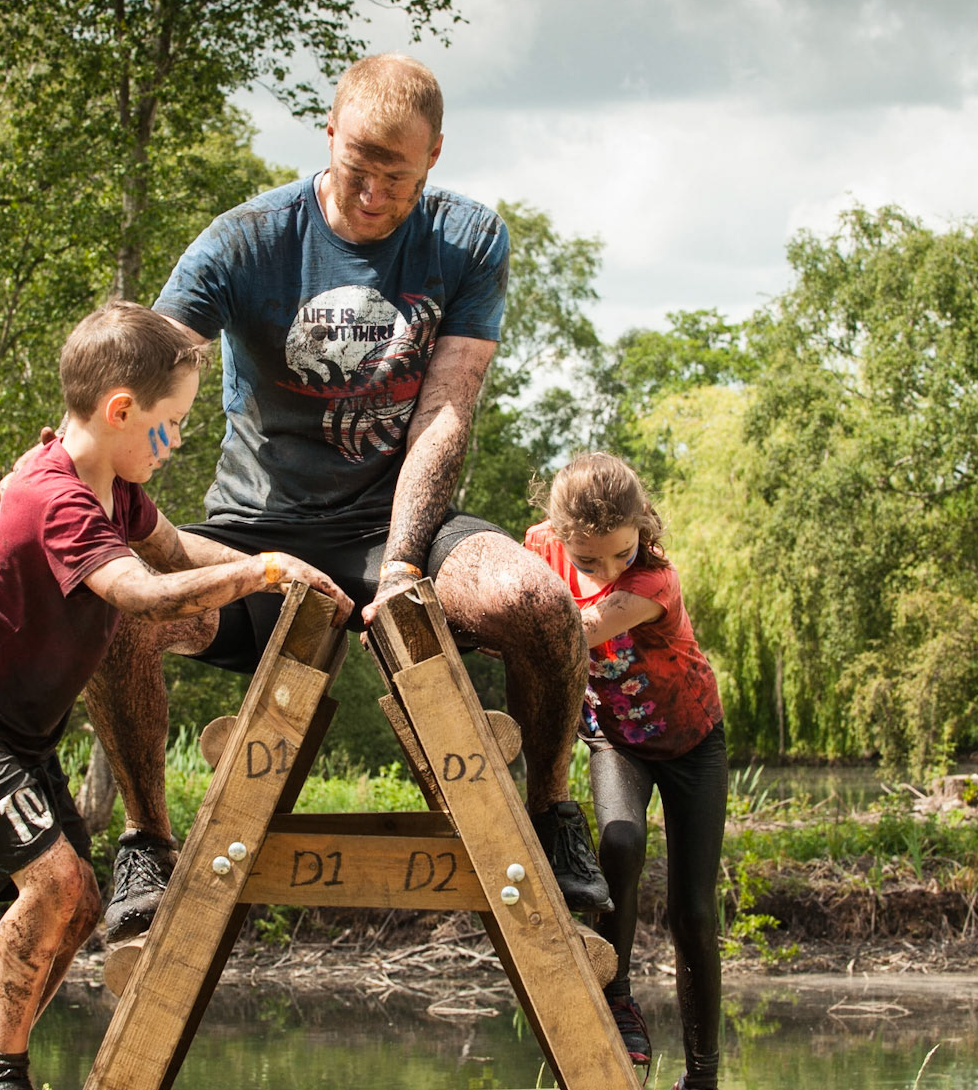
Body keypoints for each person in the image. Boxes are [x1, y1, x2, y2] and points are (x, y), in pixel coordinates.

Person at [88, 53, 611, 943]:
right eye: (356, 166)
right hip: (258, 537)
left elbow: (445, 411)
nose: (372, 193)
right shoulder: (243, 239)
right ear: (327, 133)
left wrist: (406, 561)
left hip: (398, 524)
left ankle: (555, 818)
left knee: (539, 602)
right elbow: (146, 373)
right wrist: (87, 481)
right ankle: (144, 840)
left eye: (396, 176)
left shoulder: (467, 239)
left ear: (435, 156)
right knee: (112, 612)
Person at [0, 302, 349, 1090]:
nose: (175, 444)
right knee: (56, 885)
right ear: (121, 410)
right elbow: (139, 596)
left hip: (14, 728)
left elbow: (176, 555)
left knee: (83, 901)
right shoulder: (56, 498)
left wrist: (290, 577)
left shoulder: (115, 487)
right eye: (172, 427)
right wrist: (261, 566)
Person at [524, 451, 729, 1090]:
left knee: (695, 917)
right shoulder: (543, 546)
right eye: (589, 555)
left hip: (694, 744)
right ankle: (618, 997)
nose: (609, 567)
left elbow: (563, 632)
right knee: (618, 840)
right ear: (557, 532)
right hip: (619, 742)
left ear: (642, 529)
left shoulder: (653, 581)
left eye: (623, 550)